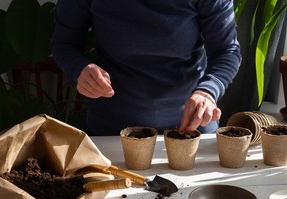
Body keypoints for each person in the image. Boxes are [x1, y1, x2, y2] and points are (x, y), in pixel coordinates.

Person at [51, 0, 241, 136]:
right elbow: (64, 43)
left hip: (191, 129)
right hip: (112, 133)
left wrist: (208, 92)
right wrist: (79, 69)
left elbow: (227, 50)